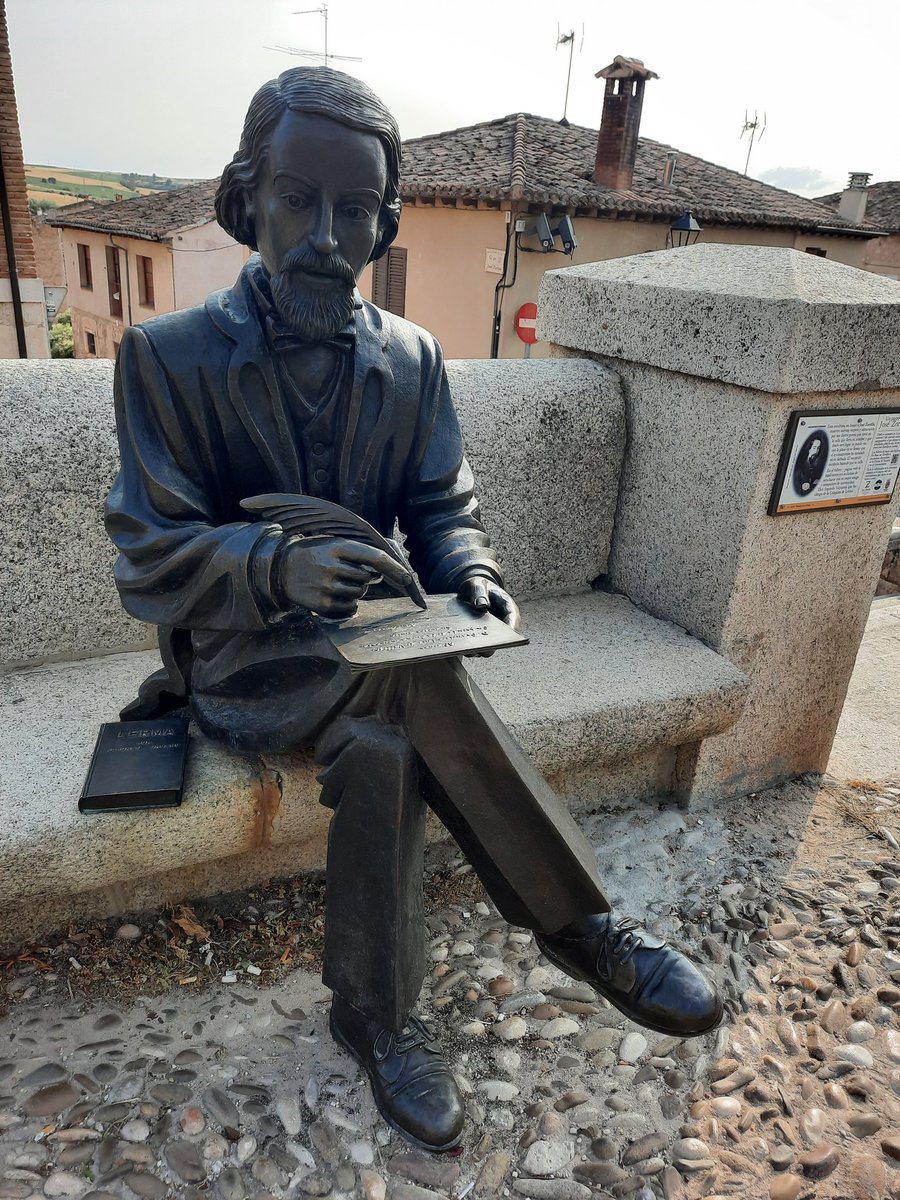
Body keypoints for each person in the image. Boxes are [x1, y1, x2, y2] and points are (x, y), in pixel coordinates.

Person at [105, 67, 721, 1153]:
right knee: (415, 682)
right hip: (247, 663)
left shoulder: (413, 359)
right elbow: (146, 554)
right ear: (249, 201)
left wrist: (470, 569)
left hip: (376, 655)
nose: (325, 236)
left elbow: (441, 505)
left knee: (387, 748)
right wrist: (271, 568)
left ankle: (378, 1021)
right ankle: (585, 930)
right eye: (299, 200)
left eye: (355, 210)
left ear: (384, 220)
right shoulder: (167, 357)